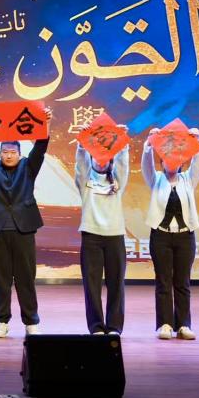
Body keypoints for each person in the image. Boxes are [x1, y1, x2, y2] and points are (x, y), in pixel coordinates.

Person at [0, 105, 53, 338]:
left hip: (23, 229)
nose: (8, 155)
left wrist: (45, 123)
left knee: (26, 279)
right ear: (0, 153)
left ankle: (31, 322)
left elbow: (40, 148)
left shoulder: (28, 167)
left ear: (19, 153)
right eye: (4, 151)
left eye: (13, 151)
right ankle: (2, 321)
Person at [142, 127, 199, 340]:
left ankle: (184, 325)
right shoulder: (156, 180)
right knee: (163, 281)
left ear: (181, 162)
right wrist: (149, 144)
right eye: (166, 159)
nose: (171, 163)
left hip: (185, 237)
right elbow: (146, 166)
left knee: (182, 282)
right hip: (160, 236)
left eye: (175, 159)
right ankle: (165, 324)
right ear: (162, 162)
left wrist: (197, 141)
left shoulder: (188, 179)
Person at [74, 133, 129, 335]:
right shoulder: (85, 181)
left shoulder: (117, 181)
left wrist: (122, 142)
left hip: (115, 236)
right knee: (92, 285)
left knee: (116, 284)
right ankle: (96, 326)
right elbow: (80, 166)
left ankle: (114, 326)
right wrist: (81, 146)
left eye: (106, 156)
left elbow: (123, 164)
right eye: (97, 155)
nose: (101, 159)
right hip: (91, 237)